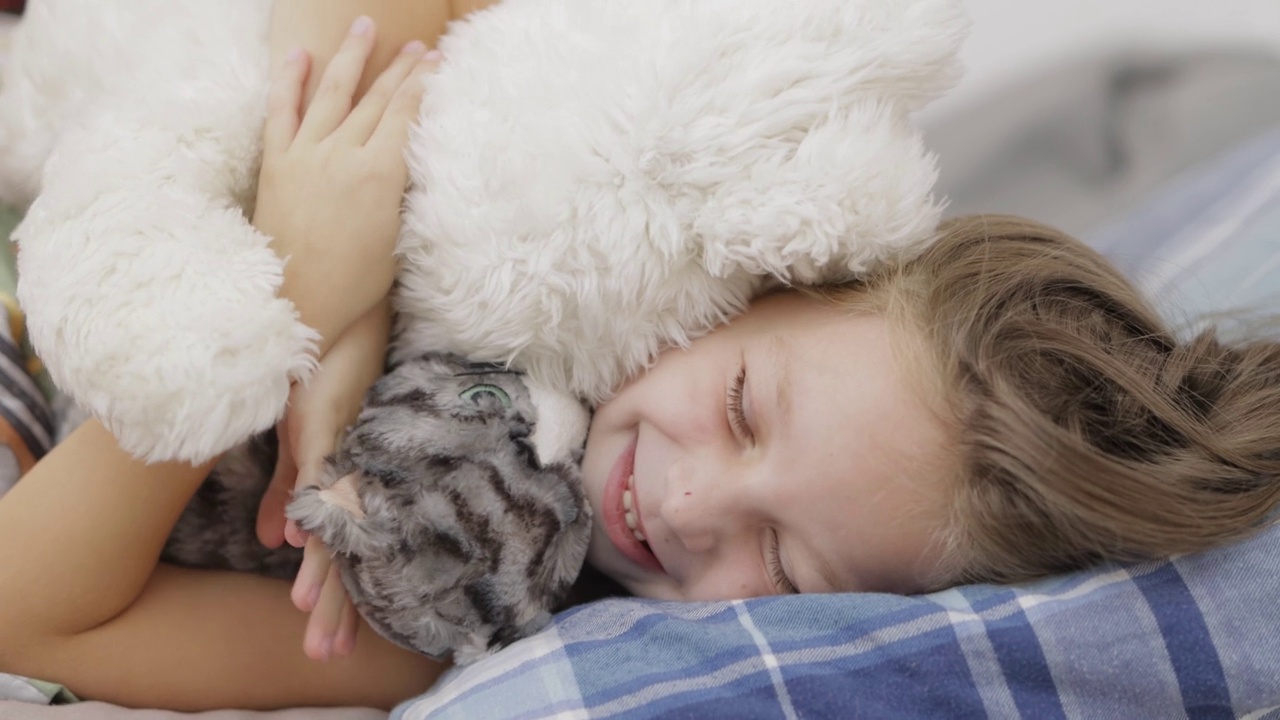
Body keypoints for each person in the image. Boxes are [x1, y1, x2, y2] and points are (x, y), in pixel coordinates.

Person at [2, 15, 1279, 716]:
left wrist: (277, 300)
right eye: (740, 410)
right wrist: (338, 347)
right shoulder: (572, 207)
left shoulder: (434, 594)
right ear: (770, 277)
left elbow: (27, 607)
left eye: (782, 565)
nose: (679, 506)